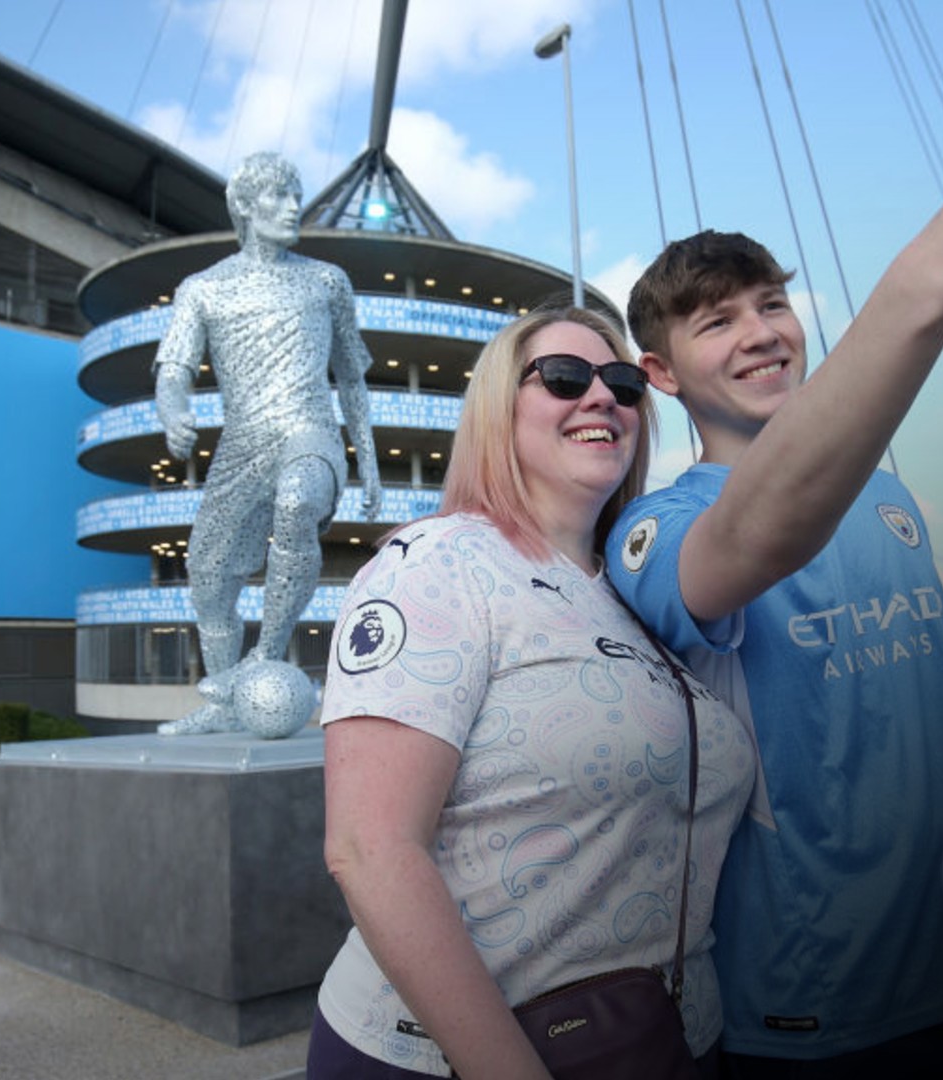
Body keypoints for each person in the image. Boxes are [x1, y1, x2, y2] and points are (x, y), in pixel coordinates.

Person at [604, 66, 943, 1075]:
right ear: (663, 375)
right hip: (829, 1008)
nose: (762, 331)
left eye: (772, 303)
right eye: (717, 321)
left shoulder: (888, 497)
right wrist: (933, 280)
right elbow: (754, 541)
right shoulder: (653, 531)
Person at [310, 307, 758, 1079]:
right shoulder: (437, 564)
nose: (601, 398)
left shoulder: (639, 594)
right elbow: (370, 849)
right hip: (455, 1057)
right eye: (562, 377)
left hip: (660, 1040)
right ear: (497, 408)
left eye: (620, 382)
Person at [152, 152, 382, 735]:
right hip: (242, 444)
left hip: (311, 433)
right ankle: (224, 704)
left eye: (294, 194)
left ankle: (265, 656)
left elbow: (351, 377)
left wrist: (370, 466)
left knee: (298, 502)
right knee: (208, 577)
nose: (291, 206)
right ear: (246, 208)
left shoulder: (326, 281)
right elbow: (173, 369)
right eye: (278, 196)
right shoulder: (202, 290)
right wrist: (174, 414)